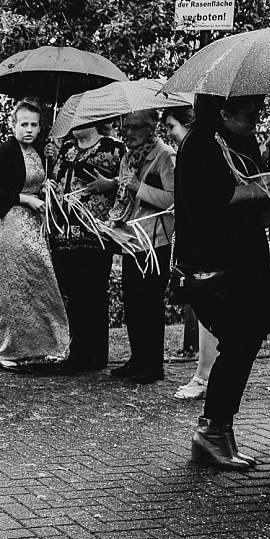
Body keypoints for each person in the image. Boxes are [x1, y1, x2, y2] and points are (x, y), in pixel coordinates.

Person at [173, 93, 270, 471]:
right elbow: (205, 202)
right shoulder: (200, 143)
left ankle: (218, 432)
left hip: (244, 260)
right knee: (240, 339)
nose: (255, 121)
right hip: (213, 263)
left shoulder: (239, 138)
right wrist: (256, 187)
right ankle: (211, 433)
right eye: (248, 115)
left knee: (244, 338)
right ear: (223, 113)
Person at [0, 98, 69, 371]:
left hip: (34, 225)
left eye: (34, 124)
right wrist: (25, 199)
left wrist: (45, 189)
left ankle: (41, 346)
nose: (29, 129)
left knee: (38, 281)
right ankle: (8, 350)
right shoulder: (5, 151)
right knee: (14, 286)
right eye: (24, 124)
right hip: (10, 223)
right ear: (13, 125)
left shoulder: (38, 151)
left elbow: (37, 182)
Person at [46, 119, 125, 373]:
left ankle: (95, 355)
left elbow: (127, 183)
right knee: (73, 295)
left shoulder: (113, 149)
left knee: (93, 294)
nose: (74, 125)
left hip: (95, 235)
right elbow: (57, 180)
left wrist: (110, 184)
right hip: (64, 234)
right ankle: (78, 352)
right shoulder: (66, 149)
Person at [107, 108, 174, 384]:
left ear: (151, 127)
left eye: (135, 127)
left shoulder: (165, 156)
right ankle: (137, 359)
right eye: (125, 127)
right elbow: (124, 192)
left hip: (155, 241)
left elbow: (174, 201)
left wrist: (138, 187)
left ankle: (152, 364)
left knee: (150, 304)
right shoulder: (128, 156)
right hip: (131, 240)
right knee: (133, 302)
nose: (128, 133)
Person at [166, 106, 217, 401]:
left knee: (207, 313)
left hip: (204, 248)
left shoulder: (195, 149)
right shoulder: (192, 150)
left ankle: (204, 375)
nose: (170, 134)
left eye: (172, 126)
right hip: (199, 244)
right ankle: (204, 373)